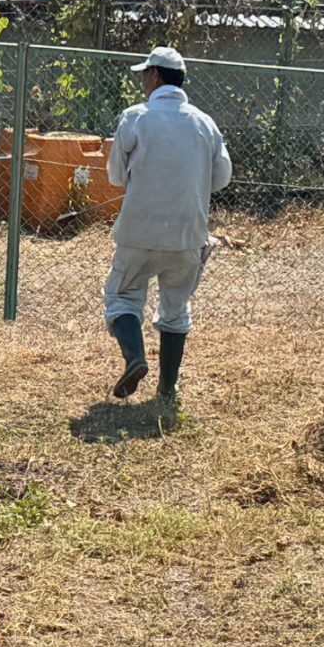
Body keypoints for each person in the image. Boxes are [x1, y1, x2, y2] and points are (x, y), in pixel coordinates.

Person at [103, 45, 231, 403]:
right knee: (176, 308)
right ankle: (168, 388)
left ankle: (135, 358)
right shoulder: (204, 122)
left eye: (144, 73)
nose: (142, 80)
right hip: (188, 235)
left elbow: (115, 176)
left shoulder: (135, 117)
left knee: (122, 296)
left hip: (138, 231)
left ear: (155, 75)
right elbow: (222, 177)